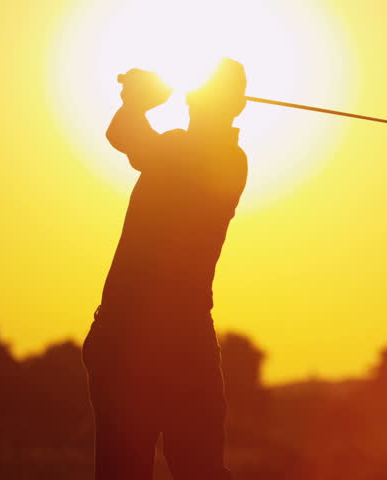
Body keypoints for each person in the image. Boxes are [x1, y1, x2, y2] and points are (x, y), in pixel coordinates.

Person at [82, 58, 248, 480]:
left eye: (203, 93)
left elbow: (124, 134)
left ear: (231, 107)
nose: (192, 99)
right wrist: (137, 102)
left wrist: (137, 101)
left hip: (151, 340)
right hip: (153, 337)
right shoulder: (202, 153)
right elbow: (126, 135)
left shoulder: (216, 158)